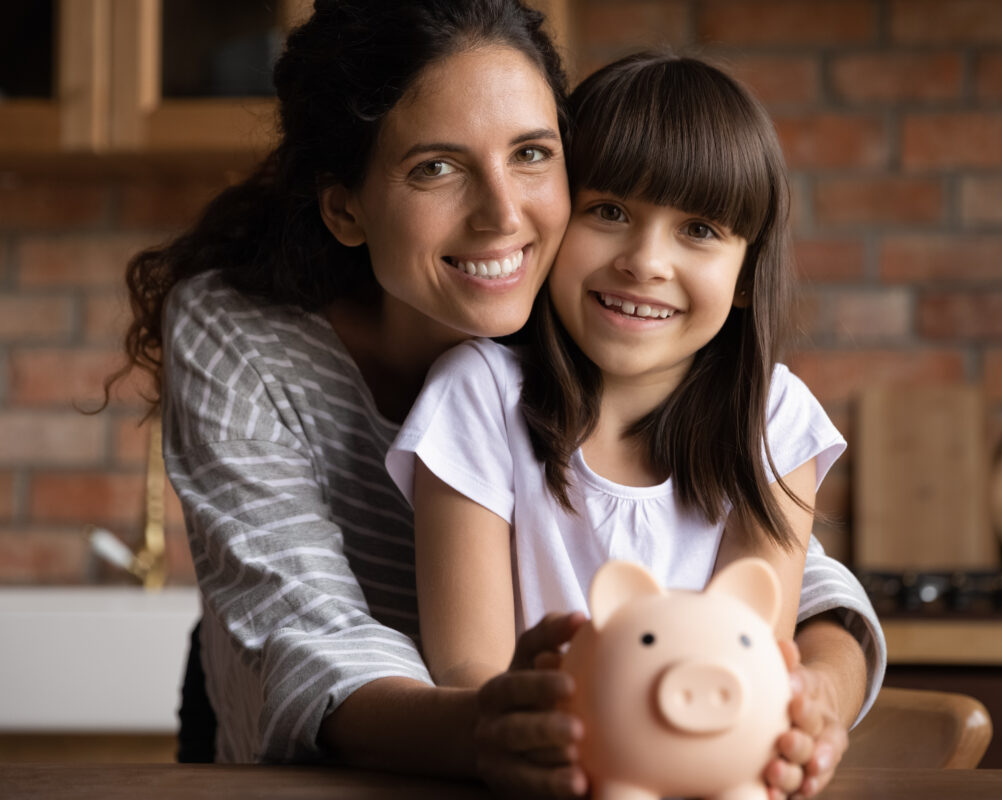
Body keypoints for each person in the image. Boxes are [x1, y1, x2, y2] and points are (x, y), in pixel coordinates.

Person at [103, 1, 882, 797]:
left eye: (533, 154)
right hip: (324, 753)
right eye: (436, 167)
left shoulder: (590, 320)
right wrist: (514, 721)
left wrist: (810, 689)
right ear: (346, 207)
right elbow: (307, 635)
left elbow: (748, 560)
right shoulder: (248, 338)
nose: (504, 217)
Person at [387, 52, 883, 798]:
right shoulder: (477, 400)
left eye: (700, 230)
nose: (646, 262)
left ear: (747, 276)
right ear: (554, 221)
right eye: (610, 212)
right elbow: (471, 673)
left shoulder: (774, 420)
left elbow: (755, 649)